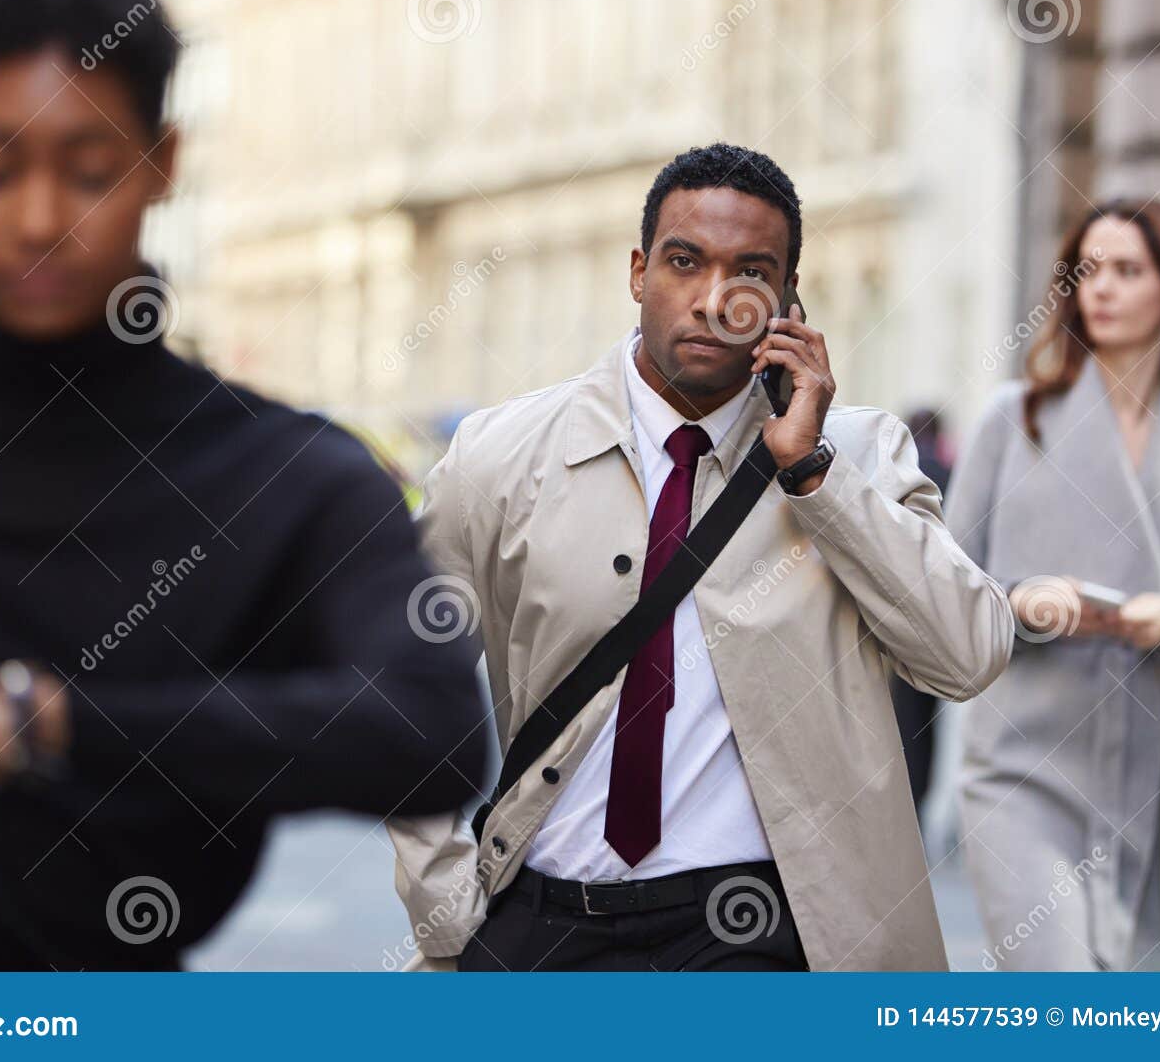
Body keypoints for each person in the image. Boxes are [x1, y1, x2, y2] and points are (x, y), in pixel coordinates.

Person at [0, 0, 487, 969]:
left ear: (161, 164)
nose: (37, 219)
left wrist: (39, 724)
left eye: (88, 169)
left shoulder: (285, 474)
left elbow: (430, 728)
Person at [387, 143, 1013, 971]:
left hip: (758, 934)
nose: (715, 299)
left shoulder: (858, 453)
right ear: (640, 271)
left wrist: (815, 474)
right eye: (685, 262)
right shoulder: (499, 456)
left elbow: (967, 651)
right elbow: (397, 680)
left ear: (788, 297)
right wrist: (443, 906)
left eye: (751, 272)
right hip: (545, 927)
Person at [947, 199, 1160, 971]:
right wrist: (1021, 603)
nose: (1102, 288)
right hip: (1022, 776)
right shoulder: (1013, 420)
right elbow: (943, 587)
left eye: (1128, 270)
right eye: (1087, 269)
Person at [892, 406, 953, 808]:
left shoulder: (900, 468)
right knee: (929, 724)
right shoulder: (948, 471)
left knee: (905, 719)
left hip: (903, 611)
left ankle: (907, 797)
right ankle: (922, 797)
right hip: (941, 615)